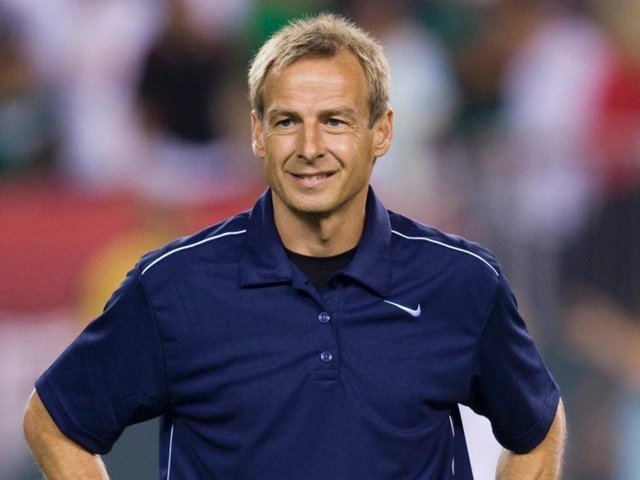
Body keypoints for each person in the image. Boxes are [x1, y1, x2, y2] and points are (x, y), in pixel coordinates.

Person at [23, 13, 565, 479]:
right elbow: (54, 422)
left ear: (381, 132)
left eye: (334, 121)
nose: (310, 147)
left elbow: (537, 428)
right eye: (287, 121)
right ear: (258, 133)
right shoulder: (174, 285)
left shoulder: (461, 280)